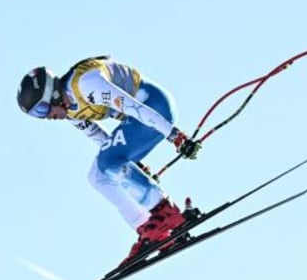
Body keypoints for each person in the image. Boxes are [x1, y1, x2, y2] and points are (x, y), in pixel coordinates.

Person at [16, 56, 202, 265]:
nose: (46, 118)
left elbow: (133, 107)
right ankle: (151, 230)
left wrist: (174, 135)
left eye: (42, 109)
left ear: (53, 94)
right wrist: (130, 164)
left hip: (153, 108)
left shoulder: (86, 85)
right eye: (37, 116)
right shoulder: (70, 112)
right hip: (139, 121)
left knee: (107, 163)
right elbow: (98, 137)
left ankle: (166, 213)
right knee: (97, 175)